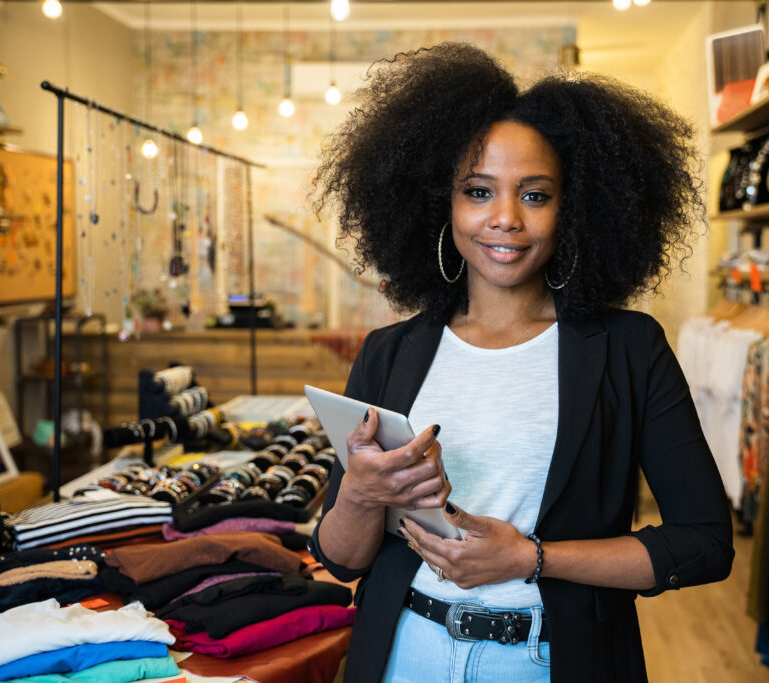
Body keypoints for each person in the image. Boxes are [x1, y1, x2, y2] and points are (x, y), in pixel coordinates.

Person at [309, 42, 734, 683]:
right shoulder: (388, 354)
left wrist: (532, 559)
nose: (504, 218)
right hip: (404, 654)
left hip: (550, 660)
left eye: (534, 196)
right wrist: (361, 498)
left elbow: (704, 543)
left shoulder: (628, 349)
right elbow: (342, 561)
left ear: (576, 210)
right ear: (440, 205)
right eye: (478, 191)